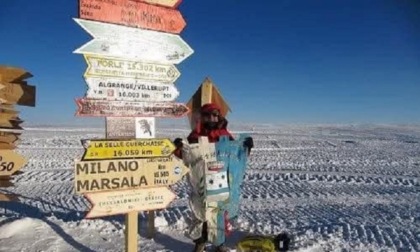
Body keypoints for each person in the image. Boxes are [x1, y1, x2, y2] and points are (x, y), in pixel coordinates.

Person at [173, 103, 254, 252]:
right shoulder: (195, 136)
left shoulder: (225, 135)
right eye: (207, 115)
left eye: (215, 115)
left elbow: (235, 156)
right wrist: (178, 148)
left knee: (219, 214)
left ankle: (219, 244)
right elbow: (186, 157)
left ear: (219, 116)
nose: (212, 118)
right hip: (202, 183)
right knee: (201, 214)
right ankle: (200, 242)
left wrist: (246, 147)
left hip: (221, 183)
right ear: (202, 117)